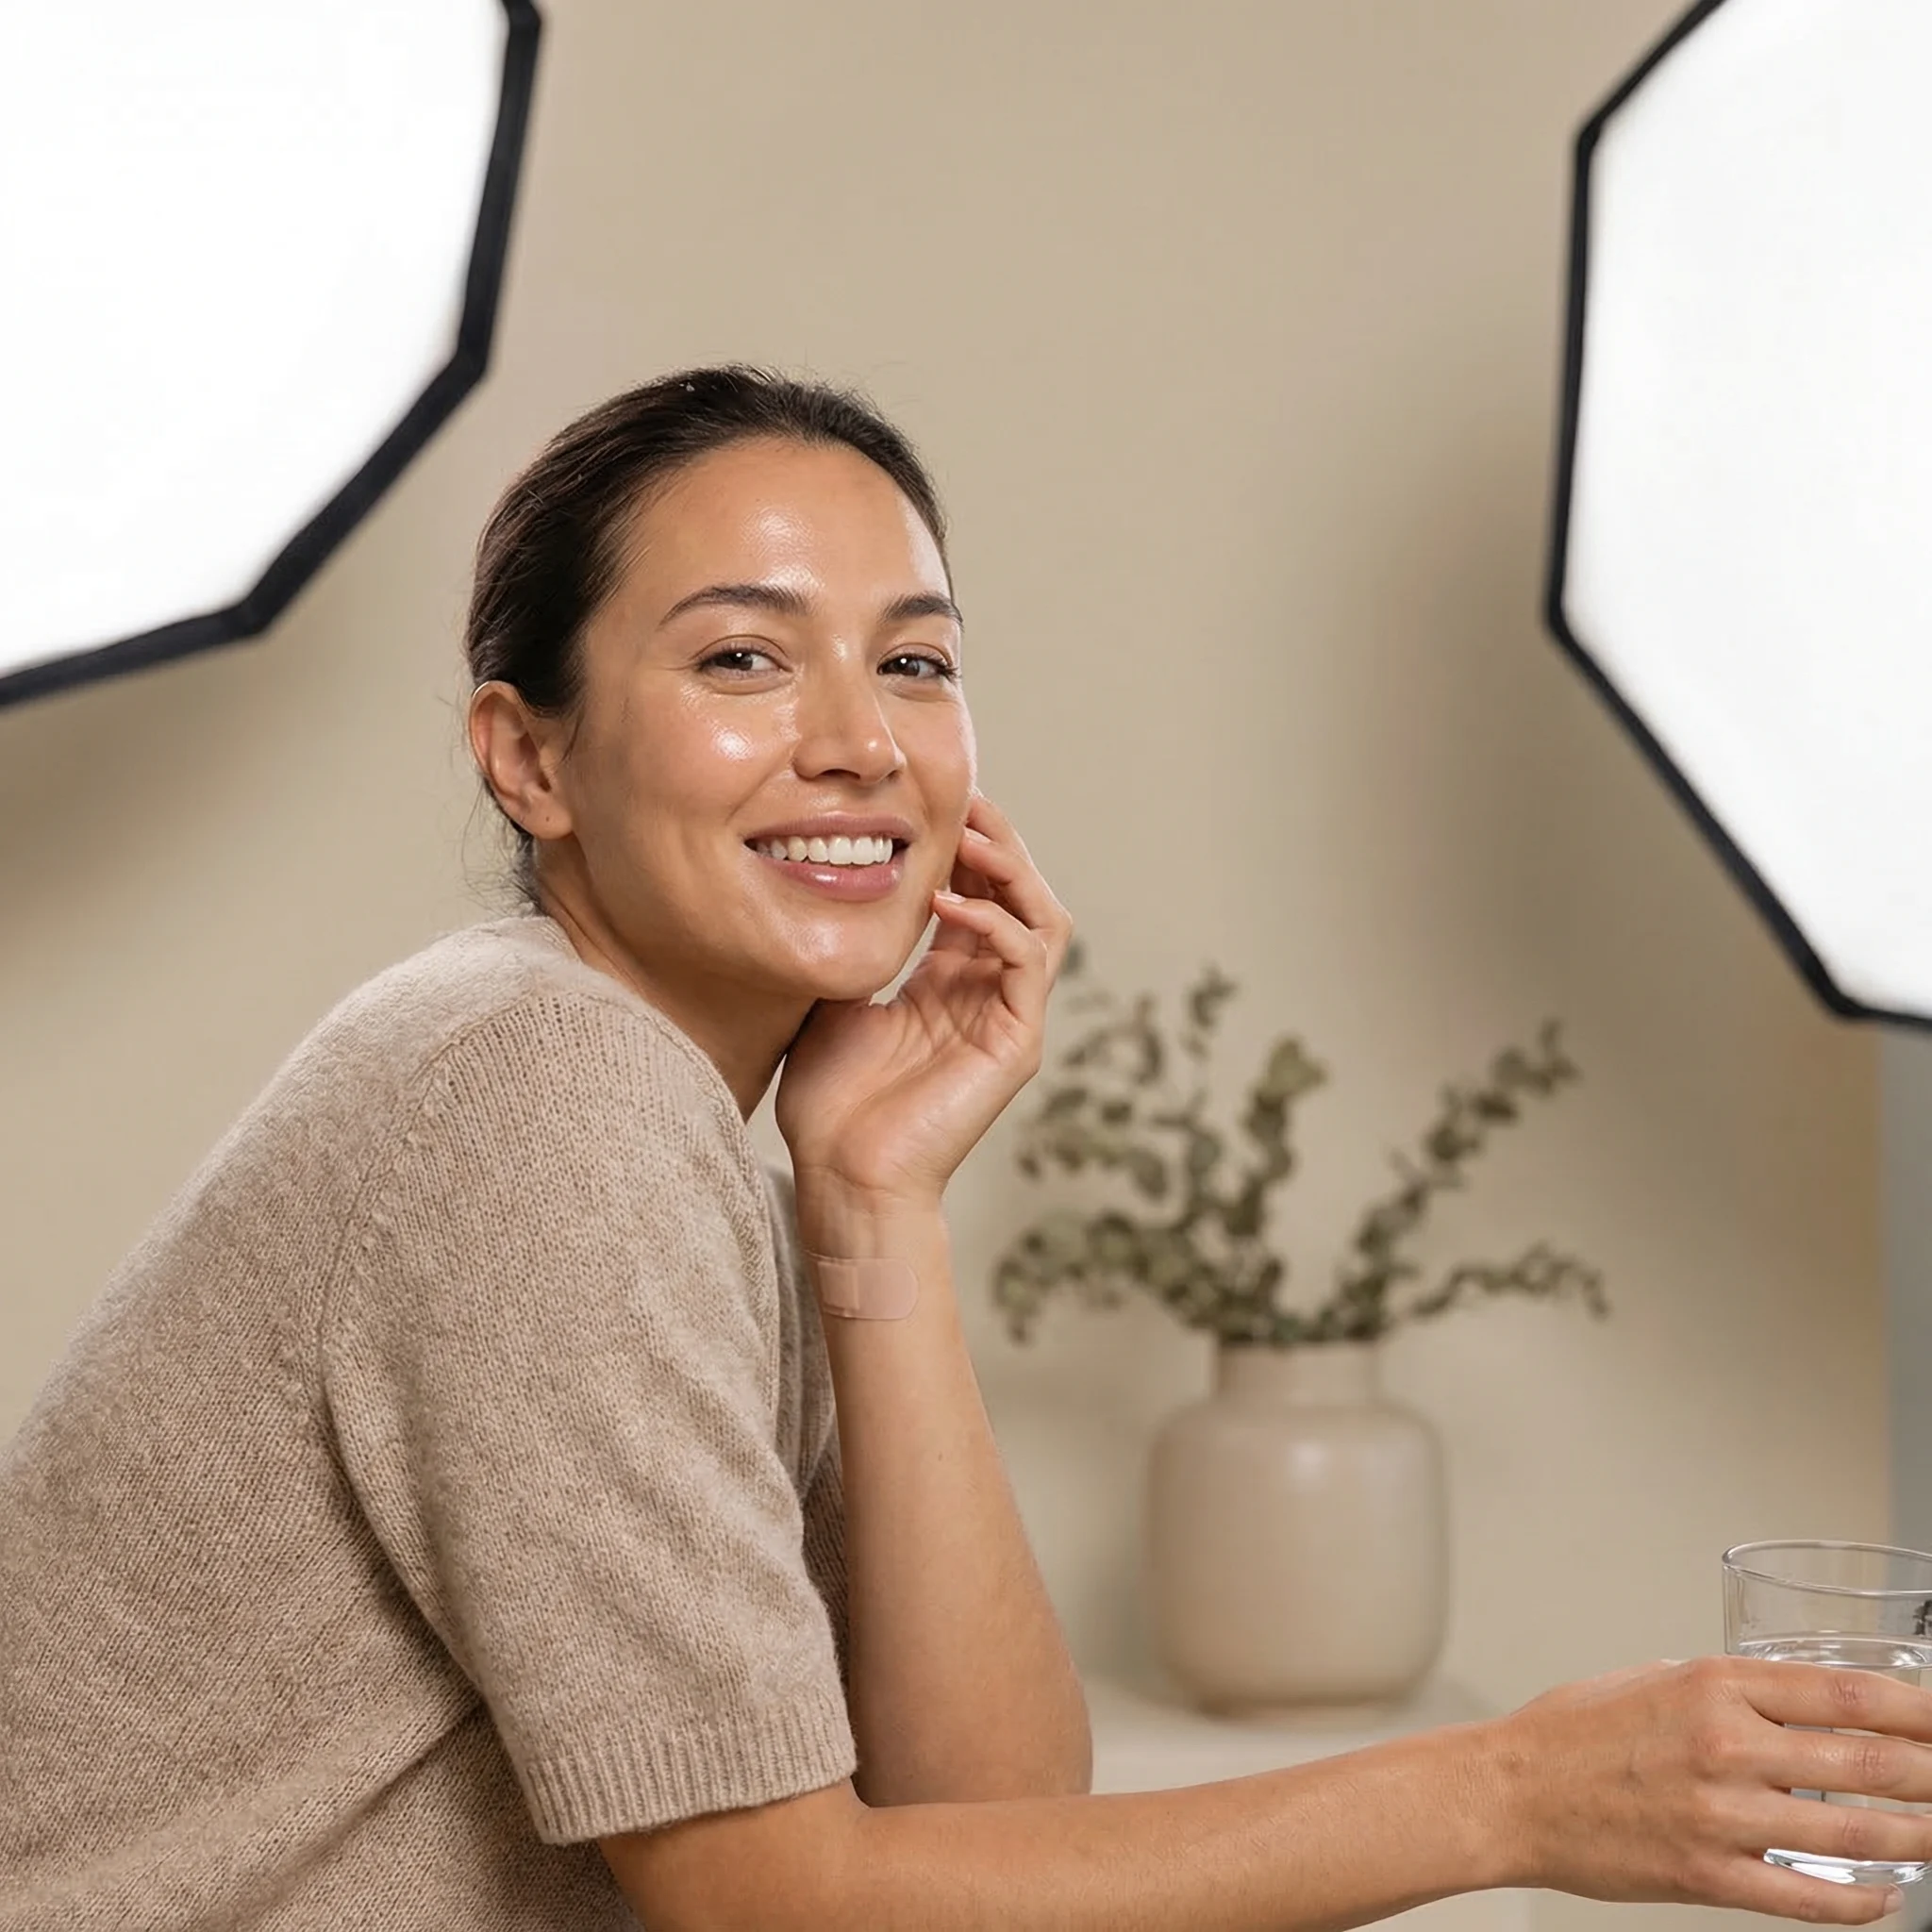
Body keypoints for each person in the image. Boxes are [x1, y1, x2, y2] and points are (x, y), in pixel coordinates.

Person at [4, 366, 1930, 1932]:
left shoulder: (694, 1154)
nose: (861, 743)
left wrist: (872, 1203)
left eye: (913, 663)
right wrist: (1517, 1786)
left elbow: (990, 1820)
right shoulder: (533, 1088)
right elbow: (783, 1908)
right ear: (530, 758)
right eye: (744, 660)